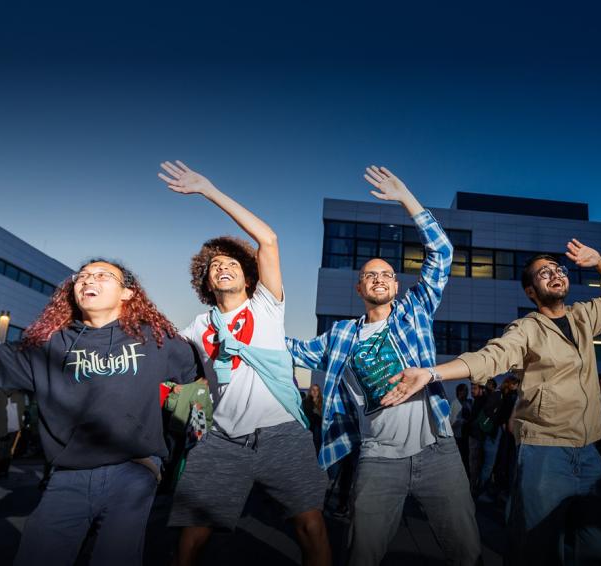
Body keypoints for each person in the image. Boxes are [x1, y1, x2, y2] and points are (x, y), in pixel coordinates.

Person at [0, 257, 202, 565]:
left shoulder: (156, 340)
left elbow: (205, 370)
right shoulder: (48, 347)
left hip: (134, 471)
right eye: (83, 276)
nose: (89, 279)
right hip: (69, 477)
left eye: (103, 275)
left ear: (127, 294)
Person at [384, 240, 601, 566]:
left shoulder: (584, 317)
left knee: (595, 548)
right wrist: (432, 373)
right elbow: (492, 356)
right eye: (543, 273)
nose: (554, 275)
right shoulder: (526, 328)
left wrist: (599, 260)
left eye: (558, 269)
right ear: (531, 291)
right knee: (536, 549)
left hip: (591, 451)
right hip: (545, 454)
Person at [288, 166, 481, 566]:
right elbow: (292, 350)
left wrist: (405, 197)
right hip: (378, 457)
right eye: (369, 275)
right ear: (359, 288)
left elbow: (442, 253)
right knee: (362, 554)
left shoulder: (414, 312)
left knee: (466, 552)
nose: (379, 278)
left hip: (437, 451)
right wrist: (243, 328)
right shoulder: (341, 336)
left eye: (387, 275)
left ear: (396, 287)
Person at [157, 161, 331, 566]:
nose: (223, 267)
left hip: (282, 435)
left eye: (232, 263)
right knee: (192, 533)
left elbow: (267, 239)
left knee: (311, 526)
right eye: (215, 266)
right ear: (205, 281)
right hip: (223, 439)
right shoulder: (199, 326)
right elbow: (161, 355)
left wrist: (208, 189)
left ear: (249, 277)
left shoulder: (267, 306)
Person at [303, 383, 324, 450]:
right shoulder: (306, 401)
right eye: (313, 390)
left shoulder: (322, 400)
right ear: (310, 391)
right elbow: (310, 416)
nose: (315, 392)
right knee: (317, 432)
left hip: (323, 424)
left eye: (317, 390)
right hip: (315, 425)